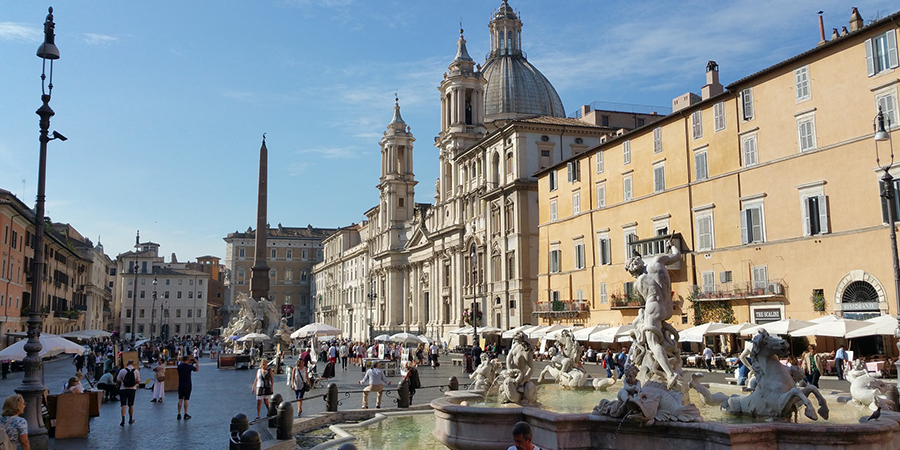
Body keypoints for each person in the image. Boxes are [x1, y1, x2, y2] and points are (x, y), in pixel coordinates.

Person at [625, 236, 682, 387]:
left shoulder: (638, 283)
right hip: (668, 307)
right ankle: (668, 357)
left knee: (652, 341)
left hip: (653, 306)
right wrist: (671, 245)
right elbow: (677, 256)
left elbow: (645, 300)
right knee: (661, 335)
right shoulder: (658, 261)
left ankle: (669, 374)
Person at [116, 359, 141, 426]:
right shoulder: (136, 371)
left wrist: (122, 382)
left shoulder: (122, 371)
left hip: (123, 389)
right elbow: (138, 381)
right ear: (133, 364)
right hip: (132, 389)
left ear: (127, 364)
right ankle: (130, 419)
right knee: (131, 405)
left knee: (123, 405)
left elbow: (118, 380)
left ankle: (123, 420)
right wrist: (133, 383)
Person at [176, 355, 198, 420]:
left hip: (181, 384)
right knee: (186, 399)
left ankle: (179, 414)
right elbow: (197, 369)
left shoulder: (179, 366)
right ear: (188, 360)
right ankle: (185, 413)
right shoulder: (189, 367)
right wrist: (196, 362)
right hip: (187, 384)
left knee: (180, 399)